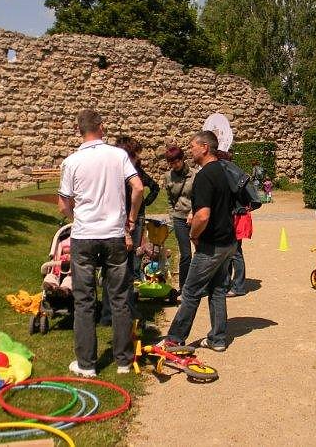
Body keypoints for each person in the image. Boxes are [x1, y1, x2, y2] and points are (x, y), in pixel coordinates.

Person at [57, 109, 143, 377]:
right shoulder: (118, 155)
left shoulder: (71, 161)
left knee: (84, 301)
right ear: (102, 128)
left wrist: (76, 218)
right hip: (114, 235)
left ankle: (87, 364)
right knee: (119, 299)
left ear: (78, 130)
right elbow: (138, 187)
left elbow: (63, 204)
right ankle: (123, 361)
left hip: (84, 236)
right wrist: (129, 220)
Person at [161, 131, 237, 352]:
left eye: (193, 146)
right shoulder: (224, 171)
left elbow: (202, 215)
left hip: (212, 244)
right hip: (228, 241)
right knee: (217, 289)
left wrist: (194, 234)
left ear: (205, 147)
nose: (190, 150)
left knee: (192, 291)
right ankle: (218, 339)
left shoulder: (204, 176)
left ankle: (174, 340)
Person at [99, 136, 159, 326]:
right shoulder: (124, 172)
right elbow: (139, 189)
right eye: (135, 156)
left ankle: (113, 312)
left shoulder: (111, 171)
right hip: (122, 224)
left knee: (115, 269)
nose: (136, 161)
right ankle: (120, 312)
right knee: (123, 268)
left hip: (115, 223)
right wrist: (131, 220)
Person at [163, 145, 196, 296]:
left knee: (202, 252)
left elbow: (199, 197)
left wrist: (193, 212)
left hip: (194, 217)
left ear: (182, 159)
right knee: (186, 254)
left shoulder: (194, 175)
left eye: (176, 162)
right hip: (178, 218)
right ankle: (184, 286)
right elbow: (169, 200)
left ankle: (200, 283)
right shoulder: (168, 176)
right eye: (171, 163)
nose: (174, 165)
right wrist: (172, 216)